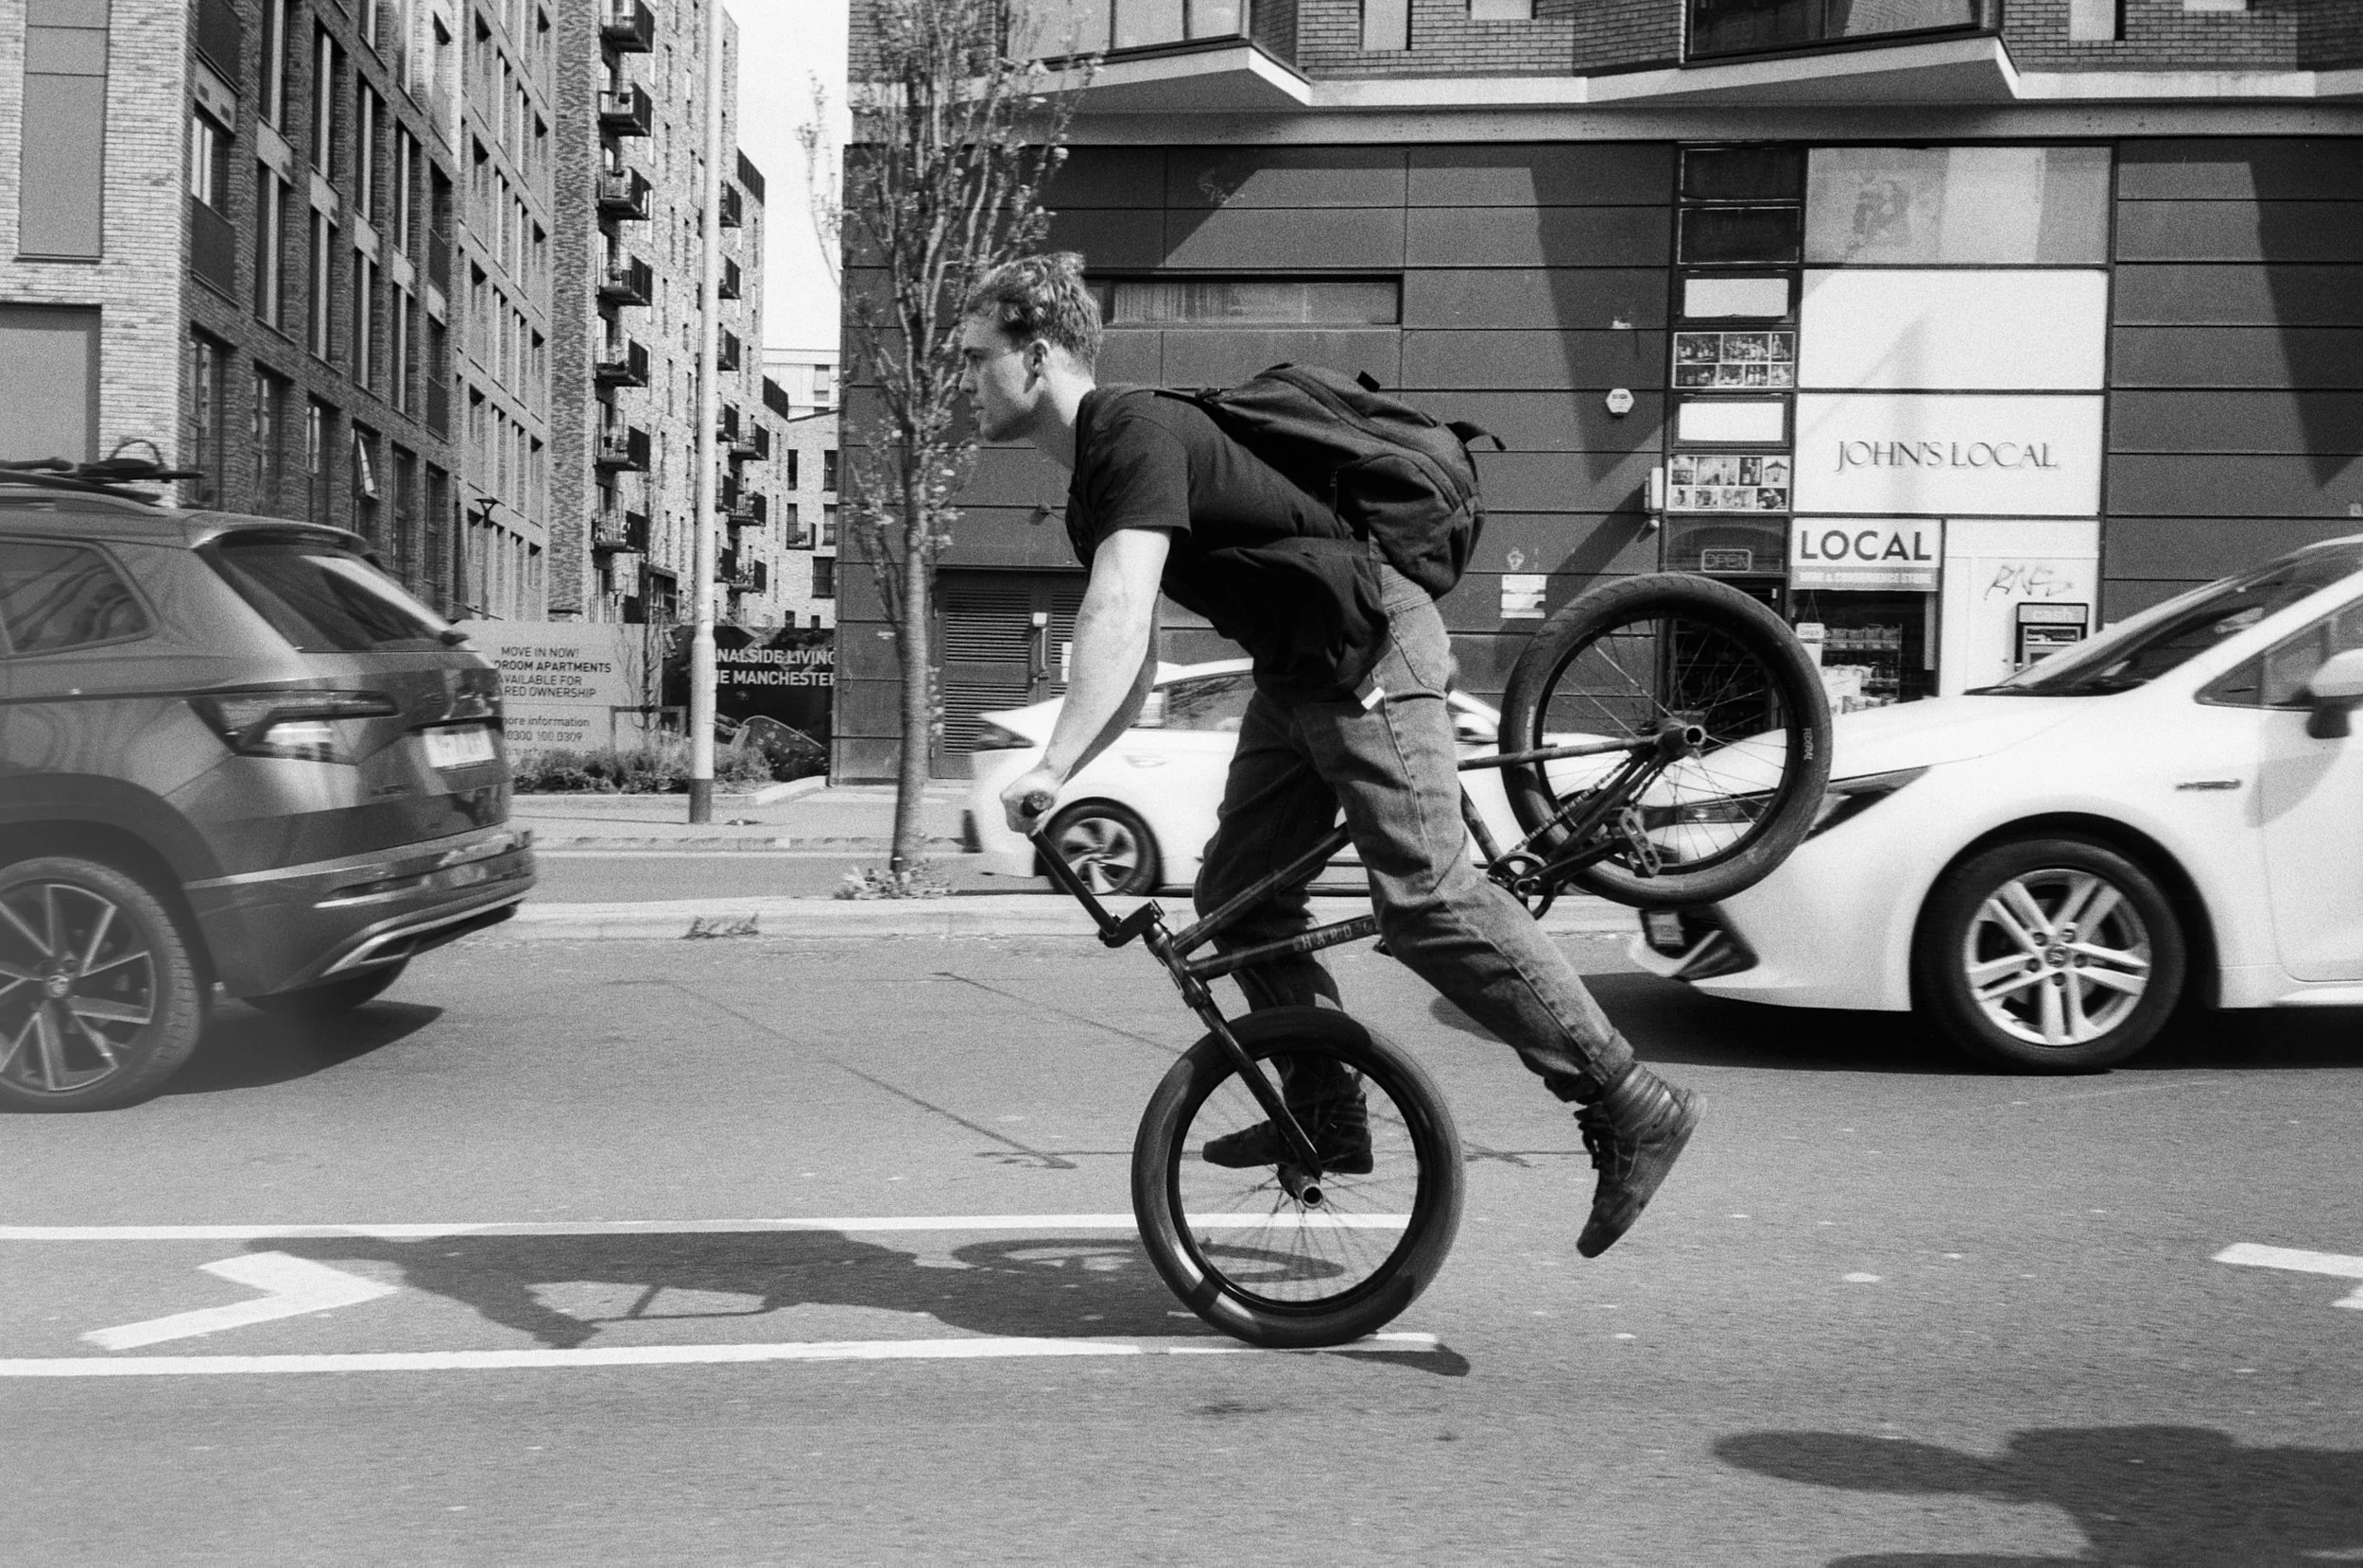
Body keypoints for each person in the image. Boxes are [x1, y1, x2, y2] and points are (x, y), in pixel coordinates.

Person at [964, 253, 1699, 1258]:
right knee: (1239, 895)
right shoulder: (1097, 489)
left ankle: (1628, 1098)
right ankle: (1329, 1107)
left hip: (1367, 640)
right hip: (1298, 673)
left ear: (1035, 354)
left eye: (975, 360)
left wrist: (1047, 763)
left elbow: (1118, 606)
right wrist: (1070, 768)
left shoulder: (1128, 429)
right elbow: (1131, 658)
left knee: (1429, 898)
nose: (965, 383)